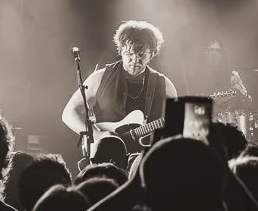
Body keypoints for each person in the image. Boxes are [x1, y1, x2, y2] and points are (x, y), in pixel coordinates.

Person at [61, 20, 178, 149]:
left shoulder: (165, 86)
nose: (135, 60)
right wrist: (96, 135)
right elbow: (69, 113)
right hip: (106, 158)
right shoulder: (100, 78)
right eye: (129, 54)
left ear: (152, 54)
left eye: (141, 55)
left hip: (146, 159)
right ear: (121, 51)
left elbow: (175, 128)